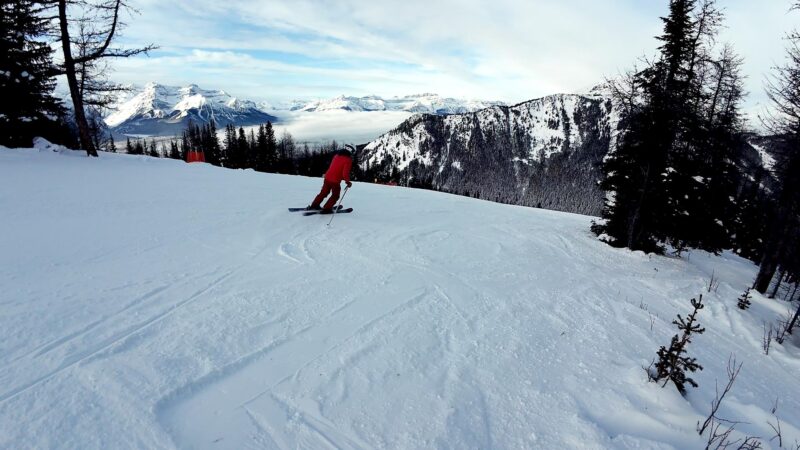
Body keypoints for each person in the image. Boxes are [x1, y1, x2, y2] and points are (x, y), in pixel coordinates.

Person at [308, 145, 354, 213]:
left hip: (327, 177)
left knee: (323, 193)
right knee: (335, 195)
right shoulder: (348, 160)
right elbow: (345, 173)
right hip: (335, 181)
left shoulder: (336, 155)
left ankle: (314, 205)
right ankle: (327, 208)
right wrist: (348, 182)